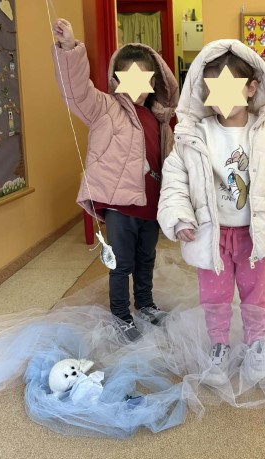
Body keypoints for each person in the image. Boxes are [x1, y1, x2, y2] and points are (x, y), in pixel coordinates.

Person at [157, 40, 265, 385]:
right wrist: (179, 217)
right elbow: (175, 180)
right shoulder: (195, 135)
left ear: (252, 88)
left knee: (255, 293)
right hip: (211, 233)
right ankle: (219, 345)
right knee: (214, 296)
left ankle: (256, 343)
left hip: (253, 235)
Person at [52, 19, 179, 342]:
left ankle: (145, 304)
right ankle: (121, 315)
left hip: (150, 205)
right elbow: (76, 92)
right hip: (120, 206)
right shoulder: (104, 108)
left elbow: (170, 162)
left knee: (146, 259)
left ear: (154, 81)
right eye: (127, 78)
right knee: (121, 264)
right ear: (116, 81)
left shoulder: (161, 121)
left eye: (143, 78)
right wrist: (69, 49)